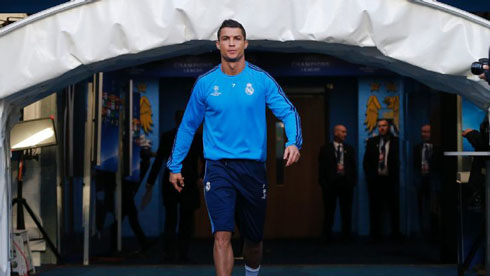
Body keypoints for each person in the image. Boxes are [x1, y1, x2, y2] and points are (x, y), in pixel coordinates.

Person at [166, 19, 302, 276]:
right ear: (218, 44)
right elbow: (187, 126)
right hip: (218, 168)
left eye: (236, 38)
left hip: (252, 169)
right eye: (226, 38)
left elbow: (288, 111)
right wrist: (175, 166)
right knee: (221, 235)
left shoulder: (261, 80)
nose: (231, 43)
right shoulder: (205, 84)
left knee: (253, 239)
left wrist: (293, 142)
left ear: (245, 43)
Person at [141, 110, 202, 263]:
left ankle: (169, 254)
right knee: (185, 221)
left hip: (171, 182)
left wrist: (150, 182)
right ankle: (182, 254)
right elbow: (206, 160)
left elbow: (158, 161)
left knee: (171, 218)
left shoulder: (168, 137)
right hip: (188, 182)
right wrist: (202, 177)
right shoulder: (196, 138)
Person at [363, 119, 400, 240]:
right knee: (374, 208)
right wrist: (370, 177)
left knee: (394, 208)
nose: (381, 128)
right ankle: (375, 236)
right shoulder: (372, 142)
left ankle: (396, 235)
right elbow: (366, 162)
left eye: (384, 126)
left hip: (391, 180)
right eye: (379, 126)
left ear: (389, 127)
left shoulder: (396, 142)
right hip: (376, 181)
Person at [318, 125, 356, 241]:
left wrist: (352, 182)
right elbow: (321, 168)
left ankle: (346, 236)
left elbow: (353, 167)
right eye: (343, 132)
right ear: (336, 133)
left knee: (346, 211)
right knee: (329, 211)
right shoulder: (325, 149)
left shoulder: (349, 149)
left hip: (346, 184)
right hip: (330, 185)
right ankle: (327, 236)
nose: (345, 134)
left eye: (346, 132)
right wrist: (323, 184)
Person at [413, 124, 442, 239]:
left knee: (434, 209)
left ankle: (435, 233)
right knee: (422, 207)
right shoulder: (416, 148)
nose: (424, 134)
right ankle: (423, 232)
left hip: (434, 181)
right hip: (421, 180)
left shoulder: (438, 148)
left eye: (427, 132)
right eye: (422, 132)